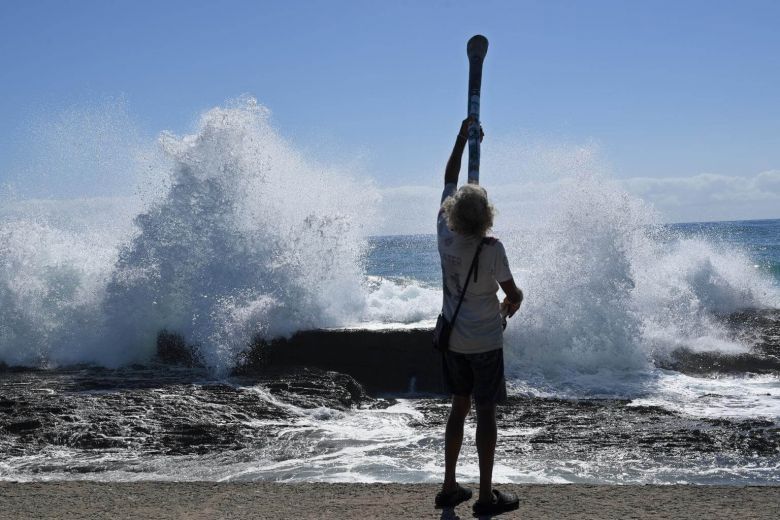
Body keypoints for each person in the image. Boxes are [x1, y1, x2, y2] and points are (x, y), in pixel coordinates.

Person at [434, 117, 524, 517]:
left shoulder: (443, 232)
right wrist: (510, 306)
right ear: (487, 217)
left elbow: (450, 177)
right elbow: (513, 293)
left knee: (459, 407)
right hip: (485, 342)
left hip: (452, 340)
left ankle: (450, 486)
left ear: (454, 214)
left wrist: (461, 137)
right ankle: (486, 497)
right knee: (485, 412)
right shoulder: (492, 248)